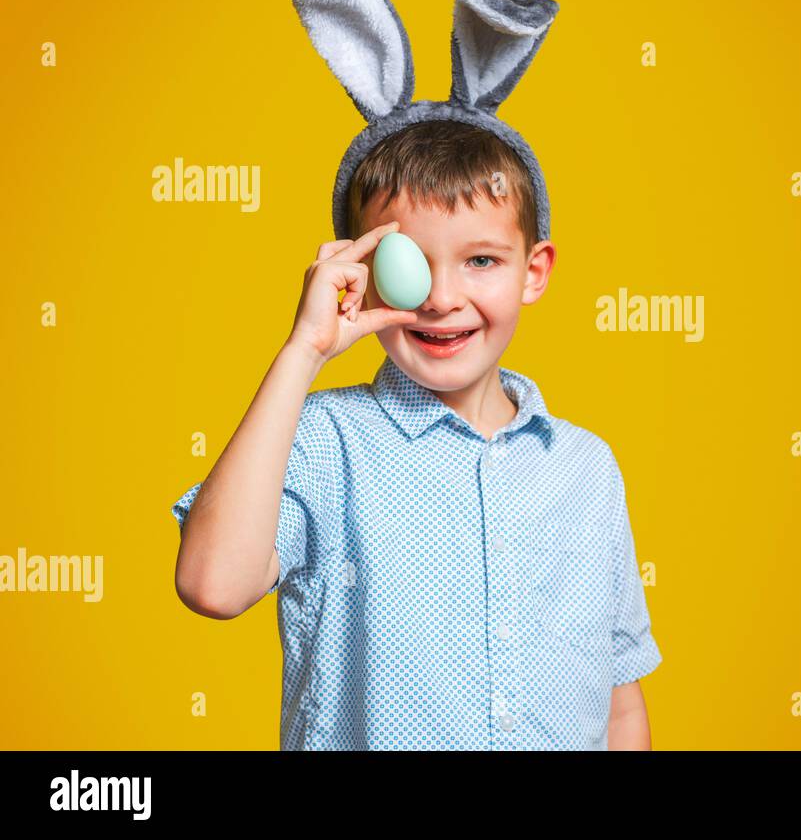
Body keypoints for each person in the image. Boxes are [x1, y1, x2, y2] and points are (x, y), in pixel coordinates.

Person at [169, 118, 663, 749]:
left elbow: (619, 700)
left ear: (533, 271)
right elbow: (213, 585)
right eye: (411, 265)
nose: (441, 299)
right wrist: (306, 349)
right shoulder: (326, 440)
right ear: (359, 270)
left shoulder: (586, 468)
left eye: (481, 260)